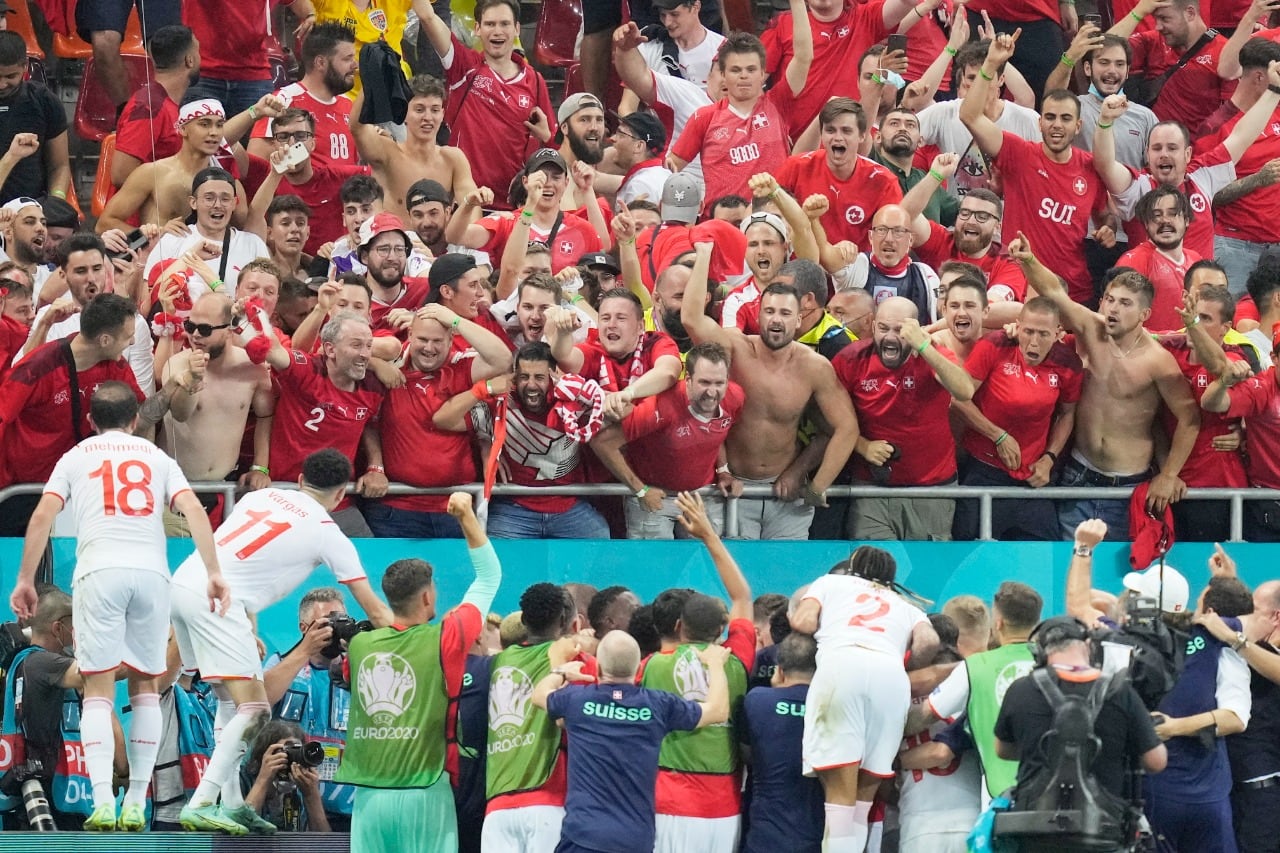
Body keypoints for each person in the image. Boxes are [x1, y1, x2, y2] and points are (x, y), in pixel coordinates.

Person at [10, 381, 228, 831]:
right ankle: (136, 799)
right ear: (135, 420)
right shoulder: (159, 459)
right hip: (151, 574)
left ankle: (101, 801)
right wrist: (213, 572)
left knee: (98, 688)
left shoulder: (75, 457)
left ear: (90, 422)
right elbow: (192, 509)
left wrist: (25, 579)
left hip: (99, 573)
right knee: (147, 684)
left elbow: (41, 516)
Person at [171, 449, 394, 835]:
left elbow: (240, 563)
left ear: (301, 478)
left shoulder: (260, 497)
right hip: (219, 603)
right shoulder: (327, 531)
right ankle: (202, 802)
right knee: (256, 709)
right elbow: (374, 611)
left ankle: (233, 805)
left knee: (228, 700)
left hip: (186, 585)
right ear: (342, 494)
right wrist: (409, 636)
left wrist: (250, 624)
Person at [337, 492, 501, 853]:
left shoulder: (361, 647)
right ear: (428, 597)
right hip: (425, 791)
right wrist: (465, 516)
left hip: (367, 799)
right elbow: (489, 577)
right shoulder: (445, 637)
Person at [1010, 233, 1201, 537]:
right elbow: (1053, 293)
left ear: (1144, 315)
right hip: (1077, 476)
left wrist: (1169, 474)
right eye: (1110, 299)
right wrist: (1028, 260)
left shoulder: (1158, 361)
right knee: (1069, 570)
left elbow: (1190, 418)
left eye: (1125, 303)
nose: (1112, 309)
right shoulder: (1091, 329)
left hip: (1127, 486)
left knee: (1120, 580)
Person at [682, 244, 859, 538]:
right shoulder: (735, 348)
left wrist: (814, 483)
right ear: (759, 315)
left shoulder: (814, 367)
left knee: (786, 577)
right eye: (770, 312)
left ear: (799, 319)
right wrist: (703, 255)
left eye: (785, 313)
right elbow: (691, 318)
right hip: (732, 487)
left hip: (786, 493)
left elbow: (845, 429)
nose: (776, 319)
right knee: (732, 575)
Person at [789, 547, 940, 852]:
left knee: (838, 794)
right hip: (891, 677)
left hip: (843, 666)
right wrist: (902, 665)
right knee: (863, 797)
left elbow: (803, 622)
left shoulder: (830, 582)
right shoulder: (906, 604)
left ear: (854, 566)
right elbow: (930, 641)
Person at [532, 630, 732, 853]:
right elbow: (718, 711)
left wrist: (561, 671)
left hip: (583, 836)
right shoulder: (659, 705)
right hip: (635, 840)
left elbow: (539, 695)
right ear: (638, 670)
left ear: (597, 669)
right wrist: (715, 664)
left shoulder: (577, 699)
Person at [961, 34, 1107, 306]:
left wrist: (1107, 228)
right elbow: (970, 115)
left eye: (1065, 119)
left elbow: (1104, 215)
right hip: (1020, 287)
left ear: (1078, 126)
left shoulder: (1090, 166)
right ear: (1040, 123)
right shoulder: (1019, 153)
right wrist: (991, 63)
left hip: (1073, 292)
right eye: (1050, 117)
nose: (1056, 125)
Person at [1092, 56, 1280, 263]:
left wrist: (1273, 90)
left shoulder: (1202, 175)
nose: (1164, 153)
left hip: (1199, 291)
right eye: (1156, 148)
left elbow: (1242, 136)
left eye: (1172, 148)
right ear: (1147, 155)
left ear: (1188, 154)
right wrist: (1105, 122)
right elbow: (1105, 164)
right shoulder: (1138, 186)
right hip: (1149, 290)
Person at [993, 617, 1168, 839]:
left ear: (1040, 653)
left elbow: (1002, 750)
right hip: (1102, 831)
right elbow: (1156, 761)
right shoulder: (1120, 691)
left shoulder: (1020, 690)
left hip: (1035, 829)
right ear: (1089, 646)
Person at [433, 340, 611, 539]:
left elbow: (625, 413)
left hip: (569, 508)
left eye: (539, 377)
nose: (531, 385)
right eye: (524, 377)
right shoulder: (501, 403)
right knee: (493, 552)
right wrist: (485, 388)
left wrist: (594, 395)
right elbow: (443, 420)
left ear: (554, 376)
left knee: (600, 537)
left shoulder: (574, 400)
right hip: (514, 510)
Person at [833, 295, 977, 541]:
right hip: (871, 489)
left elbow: (964, 390)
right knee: (872, 570)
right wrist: (861, 445)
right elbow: (824, 415)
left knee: (926, 574)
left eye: (900, 330)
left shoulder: (932, 353)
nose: (889, 337)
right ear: (872, 325)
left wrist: (923, 347)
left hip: (932, 488)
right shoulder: (851, 359)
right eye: (883, 328)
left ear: (915, 329)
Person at [0, 293, 144, 536]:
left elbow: (139, 411)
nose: (131, 343)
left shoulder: (115, 366)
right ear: (105, 340)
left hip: (75, 490)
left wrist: (174, 389)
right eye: (128, 337)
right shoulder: (38, 368)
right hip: (21, 490)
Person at [367, 304, 512, 538]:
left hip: (455, 508)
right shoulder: (389, 370)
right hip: (396, 509)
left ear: (450, 339)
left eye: (437, 341)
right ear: (410, 335)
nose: (429, 348)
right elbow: (368, 423)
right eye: (422, 339)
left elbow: (503, 359)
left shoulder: (461, 368)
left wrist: (456, 319)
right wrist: (374, 363)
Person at [953, 297, 1083, 541]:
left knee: (1042, 558)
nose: (1033, 342)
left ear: (1057, 333)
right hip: (983, 472)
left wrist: (1049, 458)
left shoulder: (1068, 364)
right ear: (1017, 326)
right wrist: (997, 435)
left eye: (1043, 334)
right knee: (967, 554)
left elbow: (1067, 414)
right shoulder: (994, 346)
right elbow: (960, 399)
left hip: (1033, 478)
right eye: (1028, 331)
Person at [590, 342, 743, 539]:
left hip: (701, 496)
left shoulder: (735, 397)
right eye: (704, 382)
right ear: (688, 380)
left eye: (719, 383)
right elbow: (602, 443)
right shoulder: (659, 407)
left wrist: (724, 471)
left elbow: (717, 429)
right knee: (655, 569)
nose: (712, 392)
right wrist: (641, 490)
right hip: (654, 500)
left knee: (705, 566)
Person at [149, 292, 274, 532]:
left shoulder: (254, 370)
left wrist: (260, 466)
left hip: (223, 492)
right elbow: (180, 413)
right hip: (175, 493)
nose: (195, 335)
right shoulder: (177, 364)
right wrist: (192, 381)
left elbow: (266, 417)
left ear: (229, 329)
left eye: (205, 329)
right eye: (190, 326)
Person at [257, 309, 389, 537]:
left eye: (369, 346)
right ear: (330, 349)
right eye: (356, 345)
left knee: (368, 565)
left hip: (338, 505)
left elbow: (369, 426)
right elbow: (270, 349)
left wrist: (375, 467)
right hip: (284, 498)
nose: (365, 354)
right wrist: (254, 313)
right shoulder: (305, 370)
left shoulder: (373, 387)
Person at [906, 581, 1043, 799]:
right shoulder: (1056, 662)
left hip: (1002, 801)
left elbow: (924, 716)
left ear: (998, 624)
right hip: (1056, 798)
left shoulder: (975, 668)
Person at [481, 583, 591, 851]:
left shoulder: (497, 663)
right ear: (568, 622)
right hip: (548, 804)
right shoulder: (577, 661)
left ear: (525, 620)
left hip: (496, 809)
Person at [415, 0, 554, 209]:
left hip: (513, 207)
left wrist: (546, 137)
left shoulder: (534, 81)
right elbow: (427, 16)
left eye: (505, 24)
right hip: (466, 205)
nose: (497, 31)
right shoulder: (464, 66)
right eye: (489, 24)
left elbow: (555, 147)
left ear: (516, 29)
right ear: (477, 29)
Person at [668, 22, 813, 214]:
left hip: (773, 219)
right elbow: (671, 167)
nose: (744, 76)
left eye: (751, 70)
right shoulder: (704, 117)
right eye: (735, 70)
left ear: (763, 74)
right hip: (724, 223)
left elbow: (804, 57)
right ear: (722, 74)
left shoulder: (778, 104)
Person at [760, 0, 939, 140]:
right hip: (796, 145)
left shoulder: (865, 17)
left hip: (851, 142)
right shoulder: (782, 24)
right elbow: (753, 84)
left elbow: (907, 2)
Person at [0, 587, 99, 830]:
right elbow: (100, 674)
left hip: (47, 799)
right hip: (43, 804)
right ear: (58, 628)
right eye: (75, 628)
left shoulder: (25, 663)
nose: (78, 635)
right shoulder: (42, 663)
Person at [260, 588, 353, 830]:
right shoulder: (281, 663)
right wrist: (304, 651)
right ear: (304, 628)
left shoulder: (356, 670)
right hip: (290, 803)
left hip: (347, 807)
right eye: (326, 624)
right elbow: (261, 701)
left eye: (340, 622)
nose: (333, 632)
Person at [20, 233, 154, 395]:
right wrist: (45, 324)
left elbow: (142, 397)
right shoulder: (47, 317)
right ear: (63, 275)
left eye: (97, 269)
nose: (91, 278)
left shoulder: (134, 323)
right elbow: (22, 378)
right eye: (81, 271)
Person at [349, 74, 477, 222]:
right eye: (419, 110)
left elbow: (472, 208)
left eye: (434, 110)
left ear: (442, 114)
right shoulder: (387, 152)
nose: (428, 117)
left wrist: (469, 240)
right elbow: (357, 128)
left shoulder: (453, 159)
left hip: (439, 245)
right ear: (403, 112)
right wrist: (371, 77)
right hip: (396, 243)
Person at [740, 632, 824, 853]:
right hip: (818, 835)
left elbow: (746, 753)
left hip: (766, 836)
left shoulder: (757, 700)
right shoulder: (834, 707)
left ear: (779, 670)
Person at [252, 108, 370, 255]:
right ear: (273, 144)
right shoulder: (263, 175)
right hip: (282, 271)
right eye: (283, 136)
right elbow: (225, 145)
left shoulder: (337, 176)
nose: (292, 143)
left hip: (332, 267)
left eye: (301, 136)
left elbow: (384, 173)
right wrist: (254, 112)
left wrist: (382, 141)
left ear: (313, 144)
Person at [136, 165, 269, 295]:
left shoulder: (253, 244)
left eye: (225, 199)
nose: (217, 205)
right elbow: (148, 296)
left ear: (234, 203)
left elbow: (266, 293)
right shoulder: (173, 240)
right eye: (209, 198)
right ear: (193, 202)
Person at [1111, 0, 1235, 135]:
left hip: (1193, 150)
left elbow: (1232, 116)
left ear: (1190, 13)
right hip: (1147, 145)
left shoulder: (1225, 55)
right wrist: (1138, 12)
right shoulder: (1154, 41)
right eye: (1155, 19)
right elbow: (1103, 51)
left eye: (1164, 19)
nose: (1158, 26)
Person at [248, 23, 358, 168]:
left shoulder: (349, 105)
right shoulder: (282, 101)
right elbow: (256, 169)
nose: (355, 65)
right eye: (347, 59)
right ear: (321, 63)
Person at [184, 0, 315, 117]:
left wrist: (310, 15)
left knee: (260, 139)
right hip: (203, 74)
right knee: (197, 141)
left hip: (253, 76)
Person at [1049, 29, 1157, 167]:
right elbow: (1051, 99)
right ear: (1087, 68)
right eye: (1104, 62)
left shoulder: (1145, 117)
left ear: (1128, 71)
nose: (1112, 70)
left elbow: (1155, 172)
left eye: (1119, 64)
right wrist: (1070, 57)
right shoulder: (1074, 108)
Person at [110, 24, 201, 189]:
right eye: (198, 52)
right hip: (148, 212)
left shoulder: (168, 103)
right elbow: (120, 174)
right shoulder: (149, 107)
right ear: (190, 60)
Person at [835, 204, 941, 321]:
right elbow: (825, 257)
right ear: (870, 237)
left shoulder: (925, 275)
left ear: (910, 240)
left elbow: (940, 321)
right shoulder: (856, 264)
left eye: (898, 231)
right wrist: (837, 251)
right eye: (881, 230)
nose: (889, 239)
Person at [1117, 186, 1202, 331]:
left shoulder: (1196, 260)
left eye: (1173, 213)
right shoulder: (1134, 261)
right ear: (1146, 224)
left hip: (1189, 349)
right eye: (1157, 215)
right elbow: (1117, 317)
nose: (1165, 221)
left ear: (1187, 220)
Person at [0, 32, 69, 204]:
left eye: (10, 76)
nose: (1, 85)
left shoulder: (44, 100)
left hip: (33, 208)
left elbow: (59, 166)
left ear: (25, 67)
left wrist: (56, 201)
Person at [871, 106, 961, 228]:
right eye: (894, 124)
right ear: (877, 137)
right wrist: (935, 176)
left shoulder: (926, 178)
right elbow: (862, 129)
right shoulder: (870, 165)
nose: (902, 129)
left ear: (920, 141)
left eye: (910, 125)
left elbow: (963, 214)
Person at [239, 721, 331, 832]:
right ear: (263, 756)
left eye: (297, 752)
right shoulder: (241, 780)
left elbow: (323, 844)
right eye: (286, 752)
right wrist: (263, 779)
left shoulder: (300, 790)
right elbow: (237, 836)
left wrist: (311, 795)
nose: (291, 761)